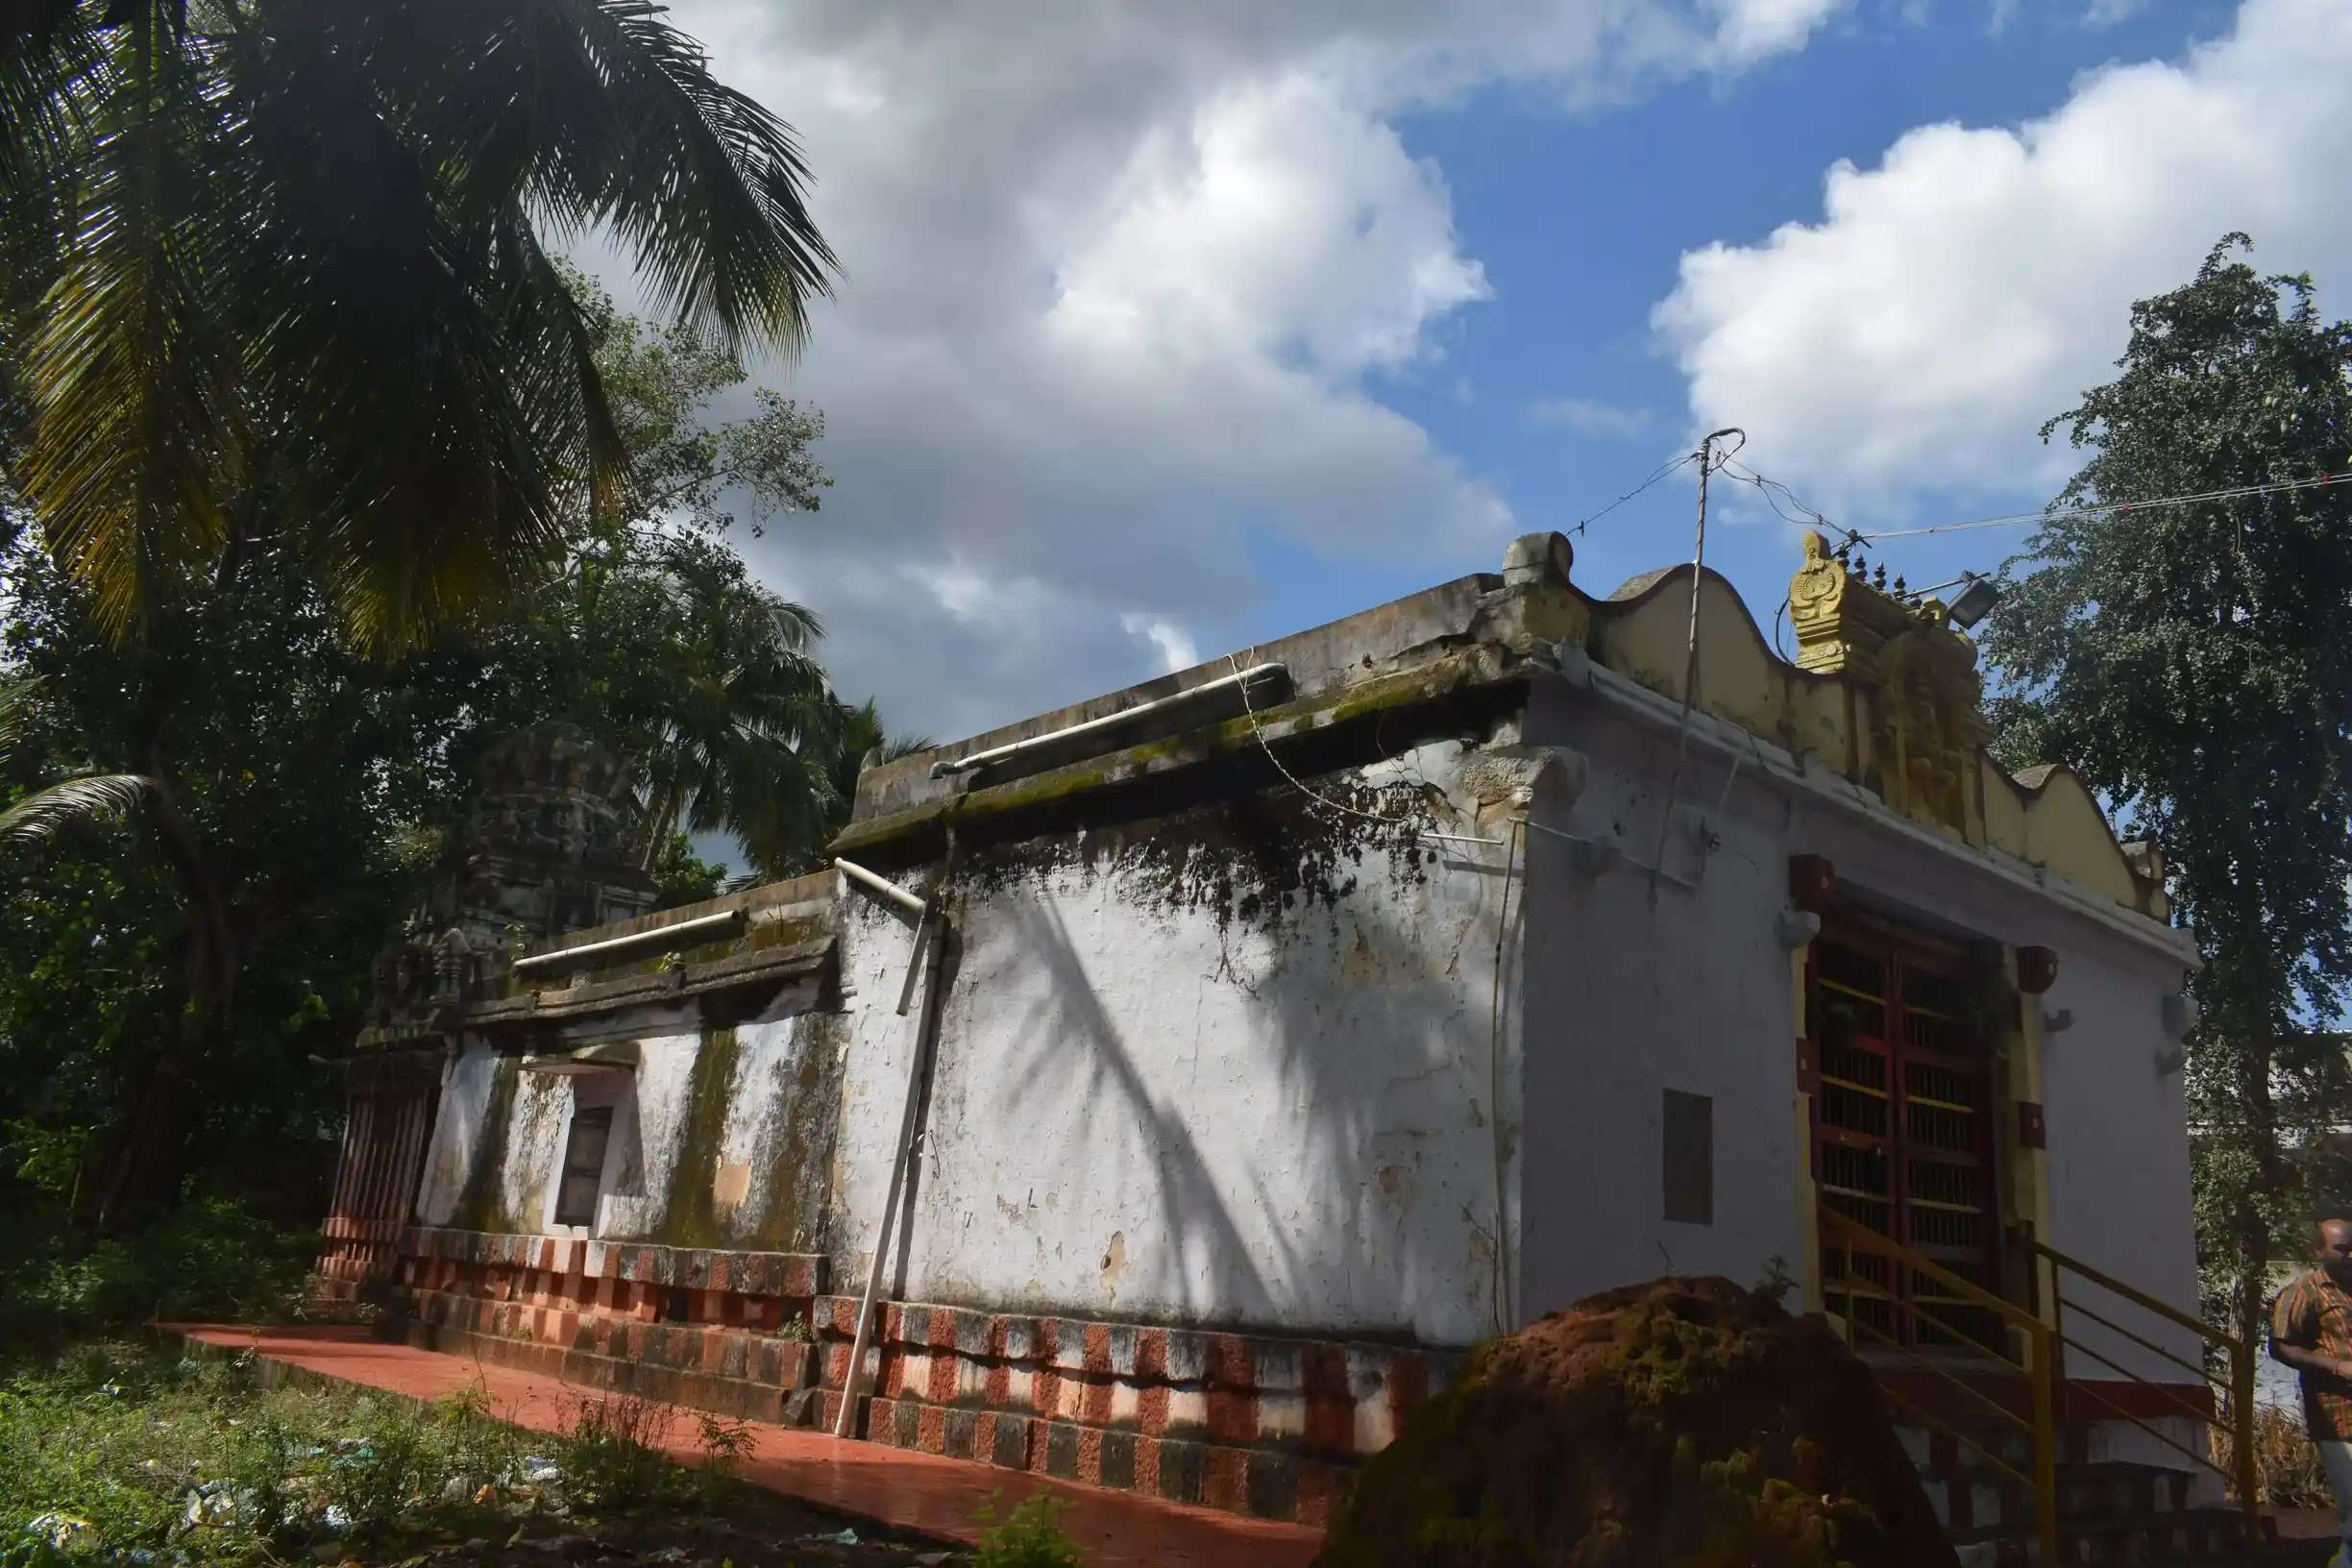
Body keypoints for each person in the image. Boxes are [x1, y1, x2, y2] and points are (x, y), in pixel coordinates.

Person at [2270, 1214, 2352, 1566]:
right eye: (2342, 1250)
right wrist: (2336, 1366)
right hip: (2337, 1416)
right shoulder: (2302, 1292)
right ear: (2318, 1250)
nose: (2350, 1257)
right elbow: (2281, 1346)